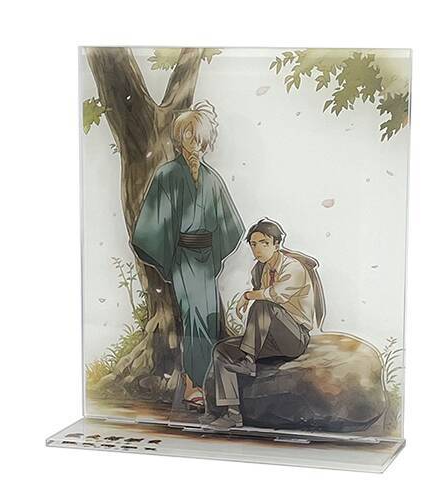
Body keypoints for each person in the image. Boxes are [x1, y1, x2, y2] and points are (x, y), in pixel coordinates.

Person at [131, 100, 244, 410]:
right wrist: (170, 256)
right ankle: (194, 384)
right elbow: (155, 222)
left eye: (199, 136)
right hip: (183, 257)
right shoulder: (167, 175)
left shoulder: (212, 179)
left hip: (206, 259)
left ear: (207, 139)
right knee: (193, 318)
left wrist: (214, 253)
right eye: (188, 135)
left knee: (209, 319)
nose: (194, 142)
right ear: (179, 138)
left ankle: (206, 383)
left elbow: (229, 224)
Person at [204, 219, 325, 430]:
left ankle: (249, 359)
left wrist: (247, 296)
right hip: (268, 338)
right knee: (223, 350)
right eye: (253, 244)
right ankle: (232, 414)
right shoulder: (259, 270)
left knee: (264, 305)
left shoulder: (293, 267)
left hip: (294, 337)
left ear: (277, 244)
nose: (257, 249)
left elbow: (275, 295)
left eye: (264, 243)